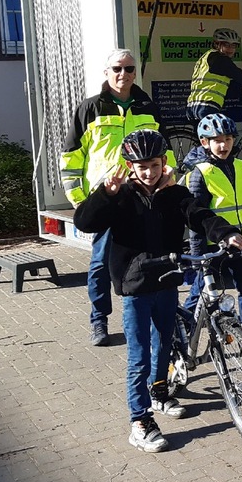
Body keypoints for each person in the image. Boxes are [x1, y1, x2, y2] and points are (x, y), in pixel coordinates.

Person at [73, 129, 242, 453]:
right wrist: (105, 194)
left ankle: (160, 392)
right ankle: (139, 420)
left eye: (153, 165)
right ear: (130, 166)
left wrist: (227, 233)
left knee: (164, 343)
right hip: (135, 286)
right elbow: (85, 222)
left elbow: (200, 215)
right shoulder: (121, 196)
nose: (148, 172)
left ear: (163, 162)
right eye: (141, 166)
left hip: (166, 281)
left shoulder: (173, 194)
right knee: (139, 356)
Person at [60, 49, 171, 346]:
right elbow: (71, 158)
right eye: (117, 69)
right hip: (107, 198)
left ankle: (148, 317)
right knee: (99, 264)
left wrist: (167, 183)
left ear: (136, 72)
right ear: (107, 72)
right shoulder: (90, 108)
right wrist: (80, 201)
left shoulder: (148, 106)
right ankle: (99, 320)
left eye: (129, 68)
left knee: (148, 260)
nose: (123, 74)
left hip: (142, 196)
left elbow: (164, 150)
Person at [182, 113, 242, 337]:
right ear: (205, 142)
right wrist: (198, 256)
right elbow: (196, 218)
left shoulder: (241, 166)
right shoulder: (199, 173)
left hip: (240, 242)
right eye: (217, 140)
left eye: (227, 139)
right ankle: (182, 335)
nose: (223, 145)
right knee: (200, 294)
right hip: (211, 247)